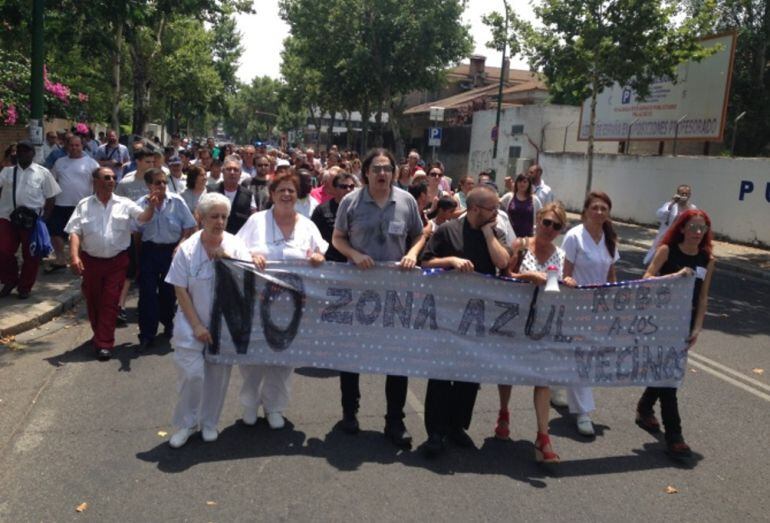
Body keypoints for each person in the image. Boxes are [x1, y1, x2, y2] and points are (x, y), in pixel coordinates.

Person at [332, 148, 426, 448]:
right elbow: (338, 238)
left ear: (394, 173)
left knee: (397, 357)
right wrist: (355, 255)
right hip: (357, 290)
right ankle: (350, 411)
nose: (382, 174)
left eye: (387, 169)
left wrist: (412, 253)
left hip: (396, 292)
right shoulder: (351, 201)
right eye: (376, 169)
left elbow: (419, 234)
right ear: (366, 173)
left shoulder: (407, 201)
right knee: (352, 353)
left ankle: (394, 420)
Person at [419, 186, 511, 457]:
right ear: (473, 209)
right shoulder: (447, 231)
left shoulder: (493, 233)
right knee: (441, 376)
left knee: (468, 377)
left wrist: (487, 233)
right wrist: (451, 260)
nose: (496, 213)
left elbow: (503, 261)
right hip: (447, 316)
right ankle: (436, 432)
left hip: (477, 319)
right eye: (491, 208)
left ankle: (457, 426)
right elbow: (426, 263)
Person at [236, 172, 328, 430]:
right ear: (272, 194)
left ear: (297, 195)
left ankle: (275, 406)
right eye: (281, 190)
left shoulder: (308, 226)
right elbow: (235, 250)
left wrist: (318, 258)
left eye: (291, 190)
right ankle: (250, 403)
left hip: (292, 307)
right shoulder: (256, 221)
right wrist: (249, 254)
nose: (286, 195)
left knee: (284, 359)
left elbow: (320, 252)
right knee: (253, 357)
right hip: (256, 302)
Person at [165, 192, 254, 448]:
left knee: (218, 377)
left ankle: (209, 422)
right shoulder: (187, 249)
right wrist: (196, 326)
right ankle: (185, 423)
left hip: (223, 325)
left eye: (224, 217)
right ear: (200, 217)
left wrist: (227, 258)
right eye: (214, 216)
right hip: (190, 323)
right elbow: (180, 289)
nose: (219, 222)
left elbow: (247, 282)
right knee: (192, 375)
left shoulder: (235, 245)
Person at [636, 209, 715, 458]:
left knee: (665, 371)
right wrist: (674, 277)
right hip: (662, 321)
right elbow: (646, 279)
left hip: (685, 323)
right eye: (692, 226)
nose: (697, 232)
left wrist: (698, 327)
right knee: (669, 379)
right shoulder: (667, 251)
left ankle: (645, 406)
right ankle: (675, 436)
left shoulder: (707, 260)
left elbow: (702, 297)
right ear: (682, 228)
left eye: (702, 228)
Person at [497, 202, 569, 463]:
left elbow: (562, 289)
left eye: (556, 226)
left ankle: (543, 435)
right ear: (538, 220)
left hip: (544, 322)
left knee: (543, 377)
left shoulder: (560, 256)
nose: (549, 229)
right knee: (508, 372)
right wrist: (527, 275)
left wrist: (565, 283)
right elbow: (505, 277)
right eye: (546, 223)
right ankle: (504, 412)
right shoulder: (520, 245)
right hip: (515, 318)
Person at [65, 167, 156, 360]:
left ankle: (104, 343)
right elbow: (75, 232)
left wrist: (152, 207)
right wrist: (74, 256)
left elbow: (143, 218)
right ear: (95, 181)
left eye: (114, 178)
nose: (111, 181)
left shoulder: (125, 203)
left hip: (117, 262)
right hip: (91, 262)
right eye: (106, 177)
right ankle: (99, 335)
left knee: (109, 302)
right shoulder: (84, 205)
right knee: (93, 301)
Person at [554, 191, 619, 437]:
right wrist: (569, 282)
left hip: (599, 306)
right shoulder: (574, 236)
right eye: (595, 208)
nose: (599, 212)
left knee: (584, 354)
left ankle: (557, 384)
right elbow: (565, 272)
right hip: (575, 304)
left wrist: (614, 301)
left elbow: (611, 274)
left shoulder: (610, 238)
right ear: (585, 211)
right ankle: (583, 412)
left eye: (604, 208)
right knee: (581, 356)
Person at [135, 168, 197, 350]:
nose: (162, 186)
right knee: (147, 294)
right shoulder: (140, 203)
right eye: (157, 183)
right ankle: (147, 334)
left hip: (171, 252)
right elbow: (136, 231)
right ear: (148, 186)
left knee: (168, 293)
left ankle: (168, 323)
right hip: (149, 251)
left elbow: (189, 225)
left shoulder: (176, 201)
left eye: (164, 182)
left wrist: (181, 244)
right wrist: (138, 257)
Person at [0, 141, 61, 299]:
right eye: (20, 151)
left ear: (33, 154)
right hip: (7, 217)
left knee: (32, 256)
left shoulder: (43, 173)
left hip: (31, 221)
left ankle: (24, 287)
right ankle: (9, 280)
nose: (23, 154)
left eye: (27, 151)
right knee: (4, 251)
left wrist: (43, 220)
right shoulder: (7, 172)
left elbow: (51, 197)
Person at [48, 135, 100, 271]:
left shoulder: (91, 163)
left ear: (82, 146)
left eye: (77, 145)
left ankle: (79, 259)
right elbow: (51, 180)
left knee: (80, 234)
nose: (74, 148)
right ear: (67, 146)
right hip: (60, 203)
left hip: (82, 205)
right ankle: (60, 258)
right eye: (72, 145)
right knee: (55, 232)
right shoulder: (59, 162)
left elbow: (98, 182)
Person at [643, 184, 696, 265]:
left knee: (675, 258)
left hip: (682, 238)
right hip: (667, 236)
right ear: (678, 194)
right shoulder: (671, 205)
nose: (684, 196)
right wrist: (672, 203)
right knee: (660, 256)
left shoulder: (692, 208)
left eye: (687, 194)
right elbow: (660, 215)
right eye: (682, 194)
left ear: (690, 195)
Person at [311, 171, 357, 263]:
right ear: (335, 189)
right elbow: (313, 237)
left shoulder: (361, 208)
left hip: (357, 262)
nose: (348, 190)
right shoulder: (321, 210)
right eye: (343, 187)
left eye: (351, 186)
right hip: (331, 263)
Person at [213, 155, 256, 234]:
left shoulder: (248, 195)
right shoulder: (211, 191)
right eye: (229, 169)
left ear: (240, 174)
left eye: (236, 170)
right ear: (222, 172)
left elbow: (253, 218)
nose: (232, 172)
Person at [500, 173, 543, 238]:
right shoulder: (509, 196)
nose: (522, 184)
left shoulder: (535, 199)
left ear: (529, 184)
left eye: (525, 182)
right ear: (516, 183)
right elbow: (496, 205)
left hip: (528, 238)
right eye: (520, 181)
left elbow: (541, 215)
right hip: (509, 236)